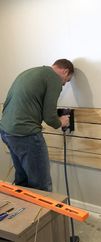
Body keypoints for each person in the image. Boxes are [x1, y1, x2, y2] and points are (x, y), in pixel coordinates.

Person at [0, 59, 74, 191]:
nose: (63, 85)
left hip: (6, 131)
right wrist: (61, 122)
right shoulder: (53, 78)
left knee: (22, 180)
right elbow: (50, 117)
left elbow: (8, 103)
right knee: (41, 185)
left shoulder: (30, 72)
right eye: (66, 81)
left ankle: (26, 211)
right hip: (26, 134)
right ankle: (43, 212)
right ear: (65, 71)